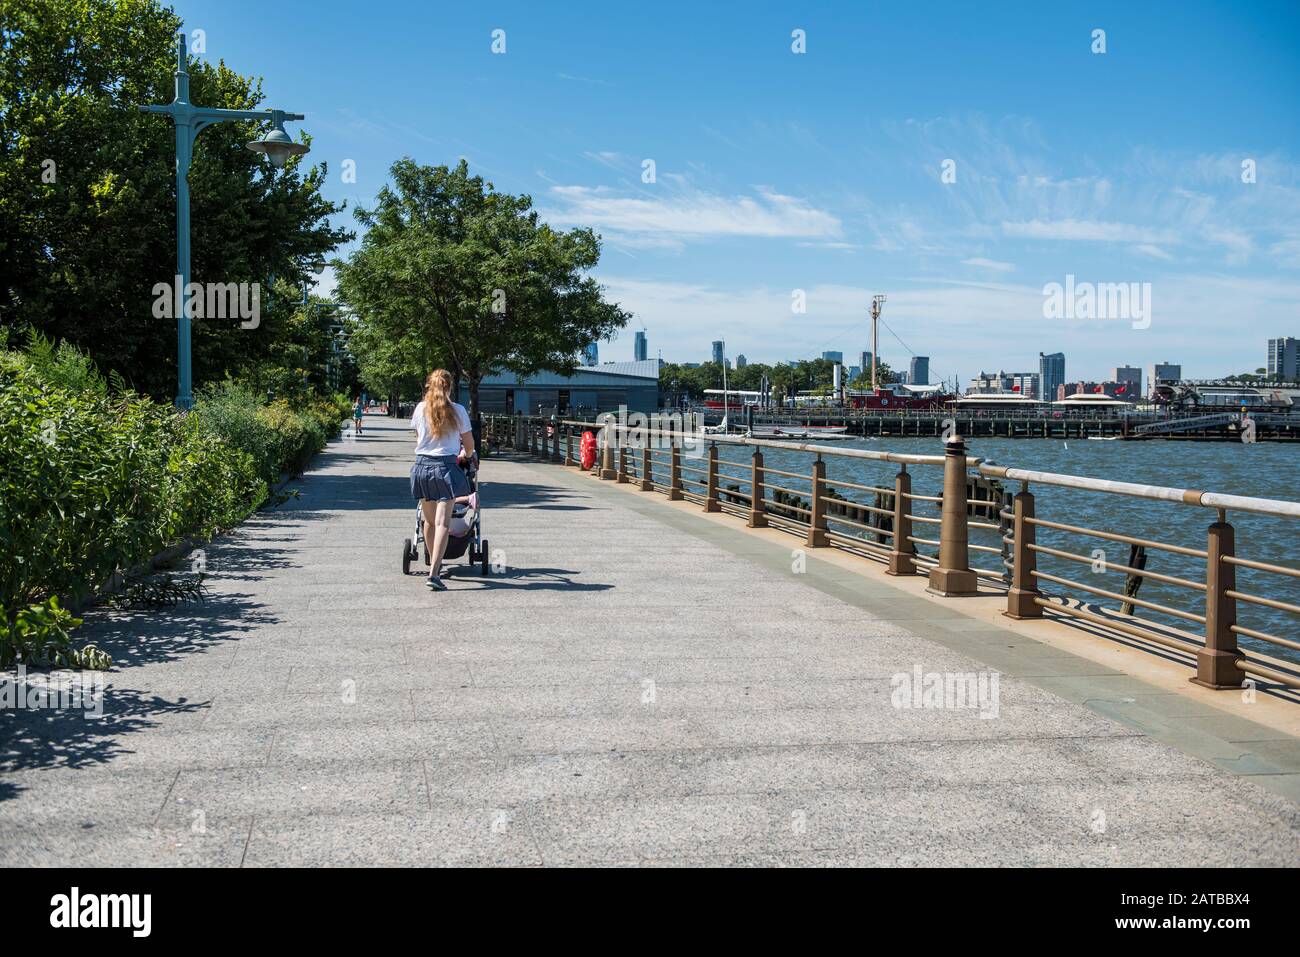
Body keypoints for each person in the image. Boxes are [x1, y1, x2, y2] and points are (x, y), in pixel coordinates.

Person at [409, 369, 475, 590]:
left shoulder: (420, 409)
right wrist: (465, 455)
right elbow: (469, 445)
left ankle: (433, 562)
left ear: (430, 385)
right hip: (445, 468)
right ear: (449, 387)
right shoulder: (458, 411)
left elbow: (419, 439)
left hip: (421, 468)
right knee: (442, 523)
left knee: (428, 522)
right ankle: (434, 572)